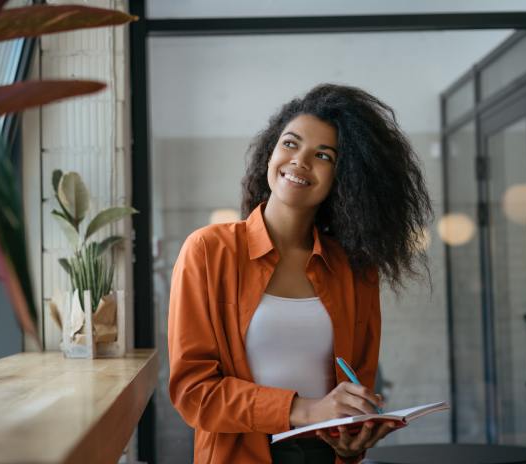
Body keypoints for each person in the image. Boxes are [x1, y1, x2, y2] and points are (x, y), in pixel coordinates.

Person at [168, 84, 432, 464]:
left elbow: (357, 382)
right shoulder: (209, 251)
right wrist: (305, 409)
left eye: (323, 155)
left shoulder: (355, 268)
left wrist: (354, 436)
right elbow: (194, 393)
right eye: (290, 144)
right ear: (271, 152)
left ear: (346, 177)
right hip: (240, 455)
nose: (300, 161)